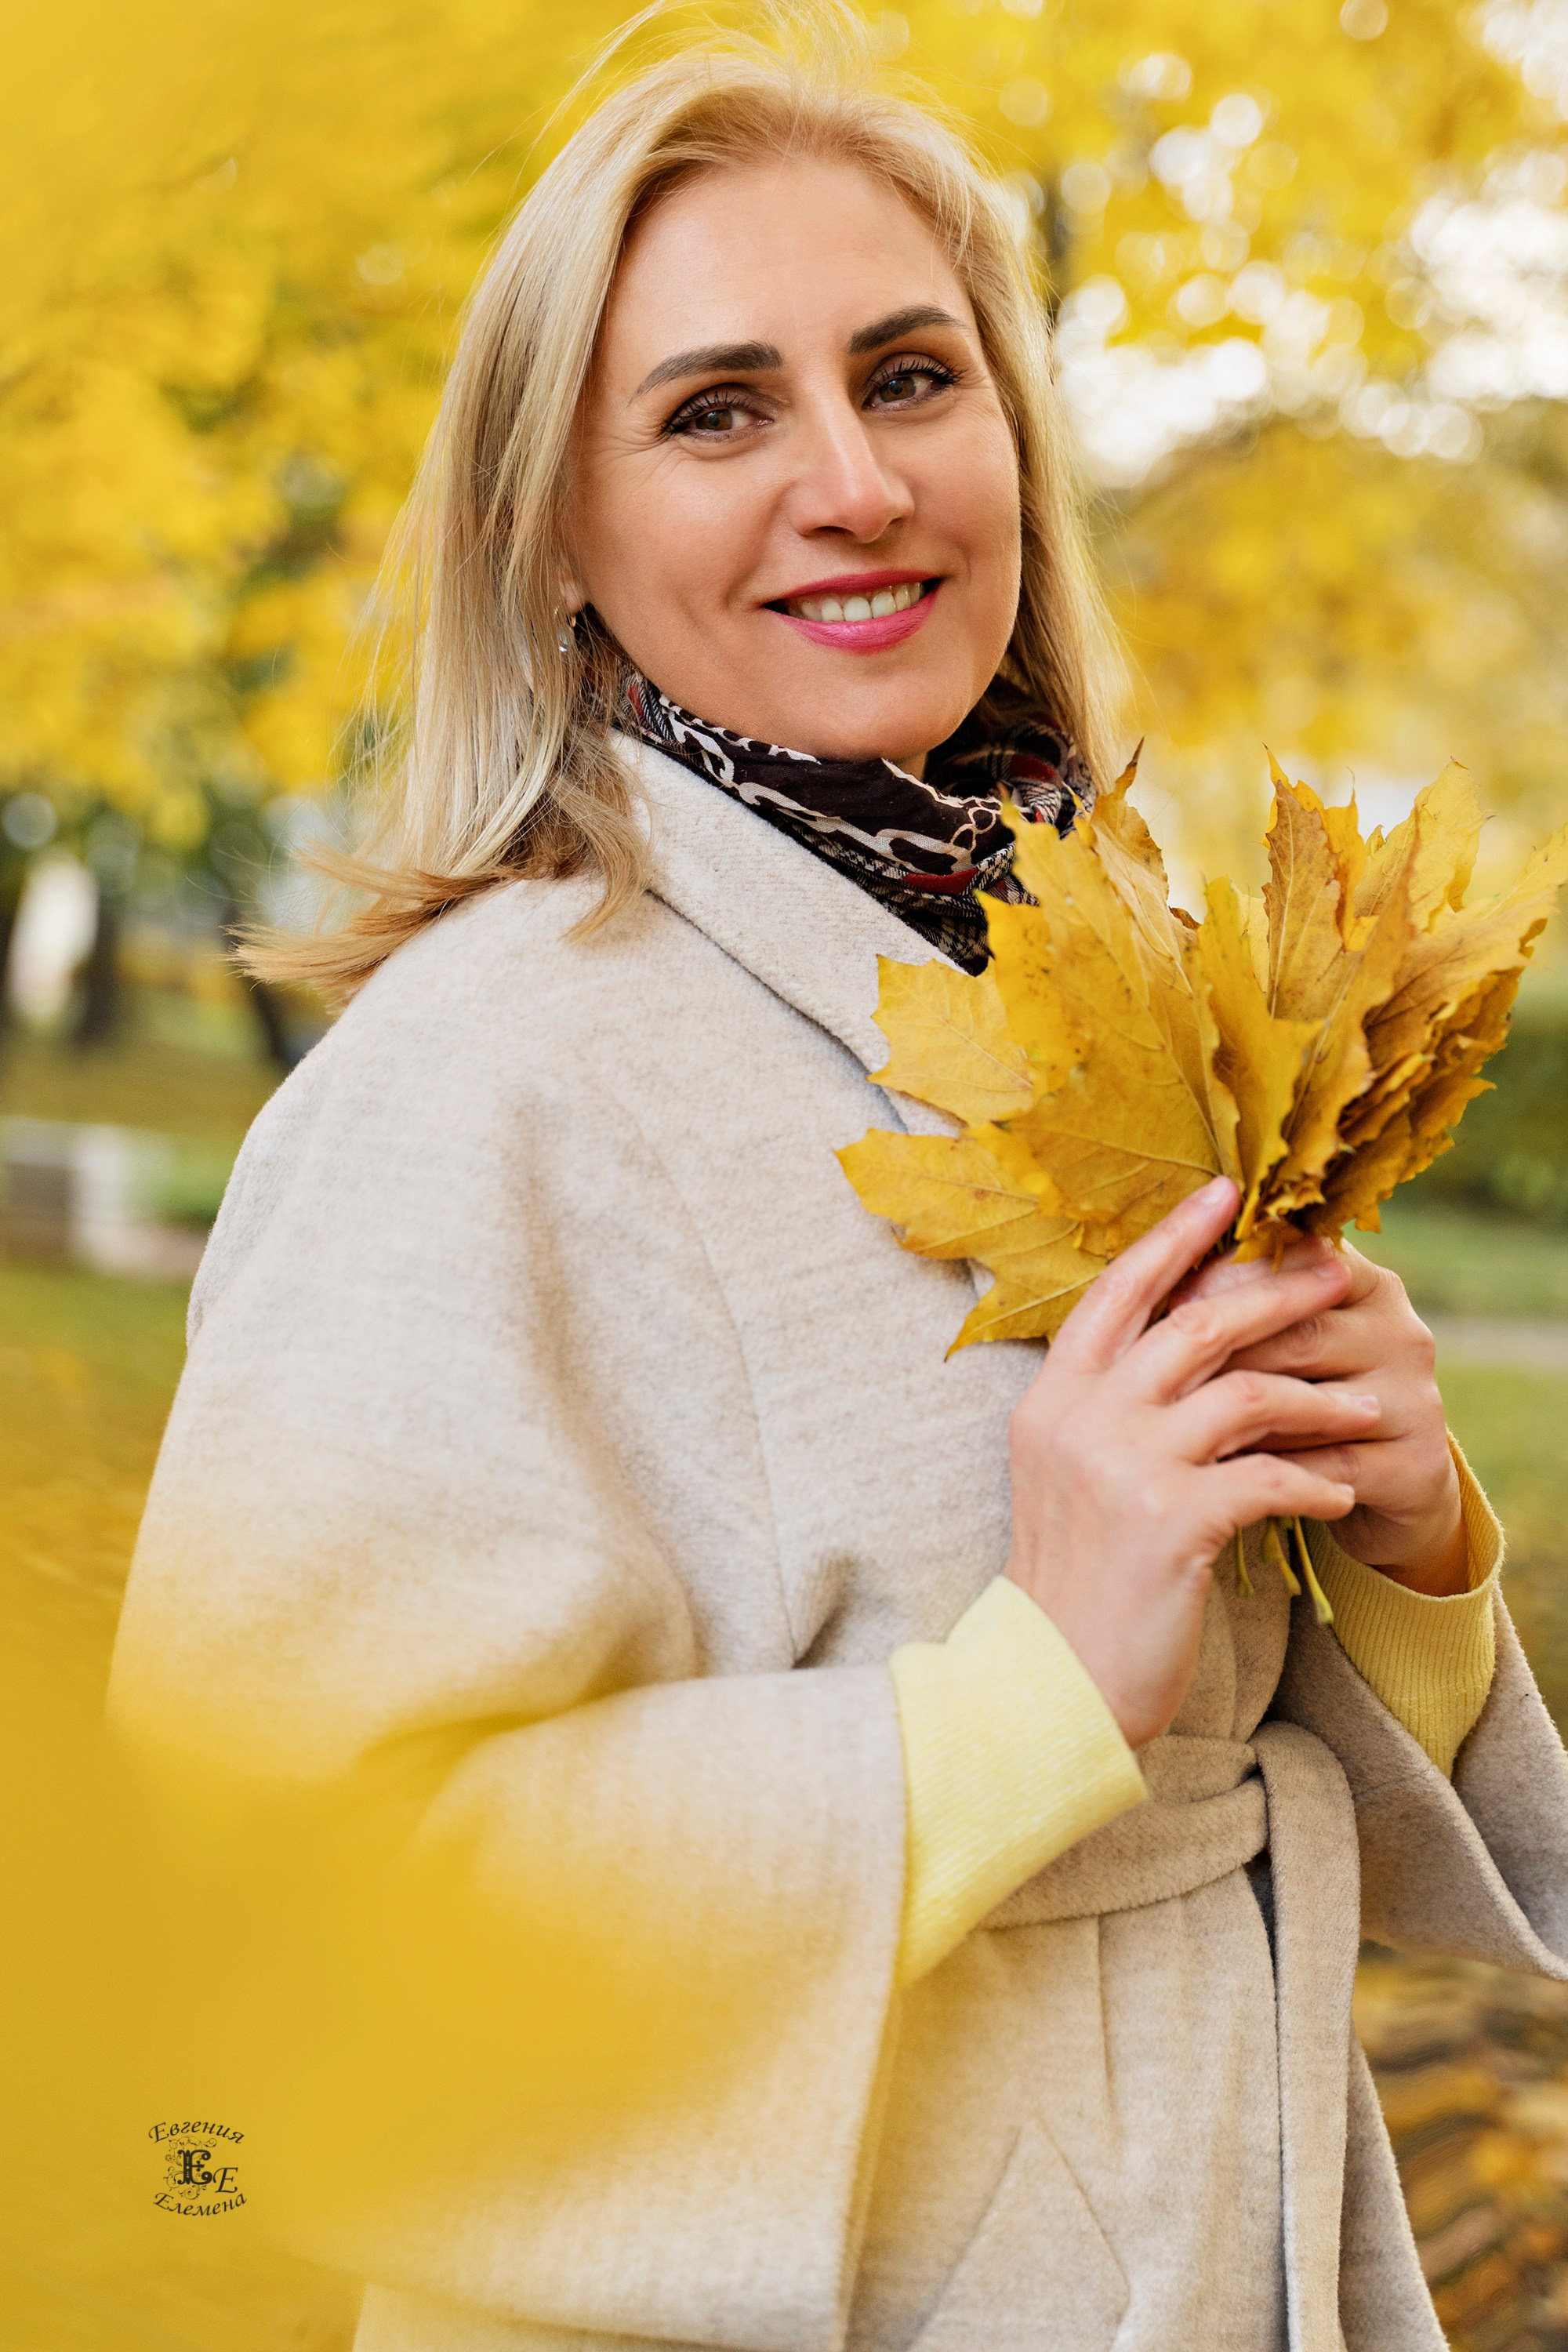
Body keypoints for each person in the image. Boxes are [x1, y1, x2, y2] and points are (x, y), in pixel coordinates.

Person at [109, 16, 1568, 2351]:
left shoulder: (1113, 997)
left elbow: (1222, 1732)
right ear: (550, 535)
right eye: (715, 411)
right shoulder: (480, 1082)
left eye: (911, 376)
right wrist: (1009, 1705)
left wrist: (1398, 1544)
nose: (856, 482)